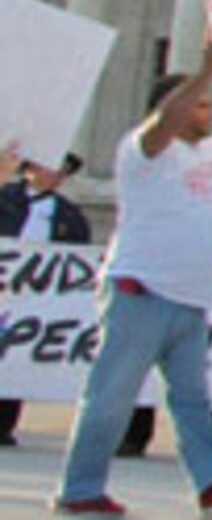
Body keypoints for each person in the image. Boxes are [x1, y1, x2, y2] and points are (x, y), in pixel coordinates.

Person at [50, 48, 212, 515]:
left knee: (193, 400)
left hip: (189, 300)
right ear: (168, 108)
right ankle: (79, 489)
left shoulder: (208, 155)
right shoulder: (142, 150)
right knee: (112, 396)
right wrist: (208, 71)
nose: (205, 110)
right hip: (141, 292)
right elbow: (161, 125)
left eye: (209, 103)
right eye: (196, 102)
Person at [0, 151, 90, 447]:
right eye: (52, 167)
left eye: (62, 171)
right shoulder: (5, 197)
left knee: (15, 355)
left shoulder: (69, 215)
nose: (57, 175)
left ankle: (4, 422)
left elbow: (79, 258)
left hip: (34, 296)